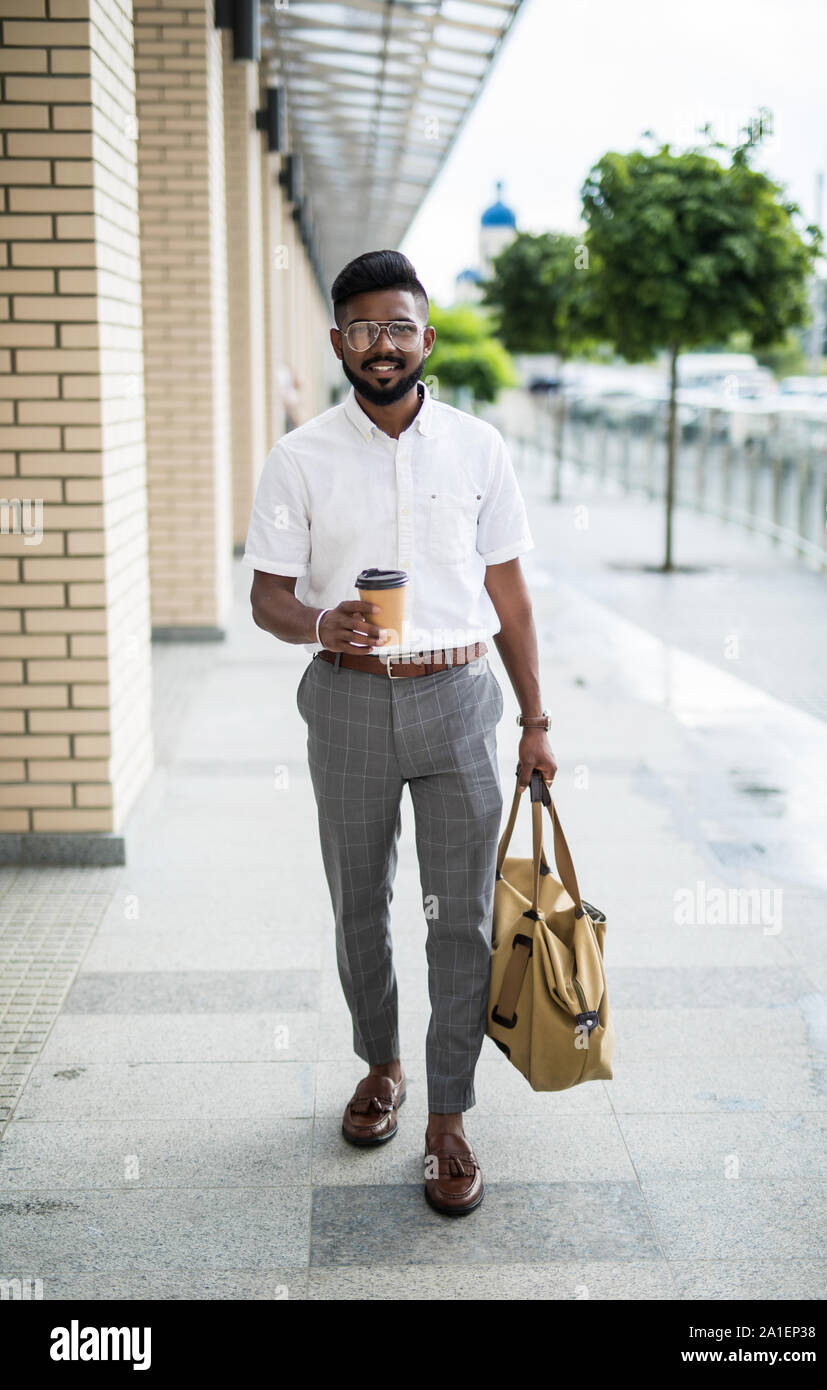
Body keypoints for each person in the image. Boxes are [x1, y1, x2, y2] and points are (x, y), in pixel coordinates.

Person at [243, 250, 557, 1216]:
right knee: (359, 901)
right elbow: (266, 597)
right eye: (365, 330)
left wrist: (536, 719)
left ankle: (449, 1119)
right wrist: (317, 622)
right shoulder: (299, 456)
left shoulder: (479, 449)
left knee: (459, 916)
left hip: (460, 699)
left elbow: (509, 593)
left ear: (427, 337)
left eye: (401, 327)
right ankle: (382, 1065)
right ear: (339, 342)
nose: (384, 346)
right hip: (346, 697)